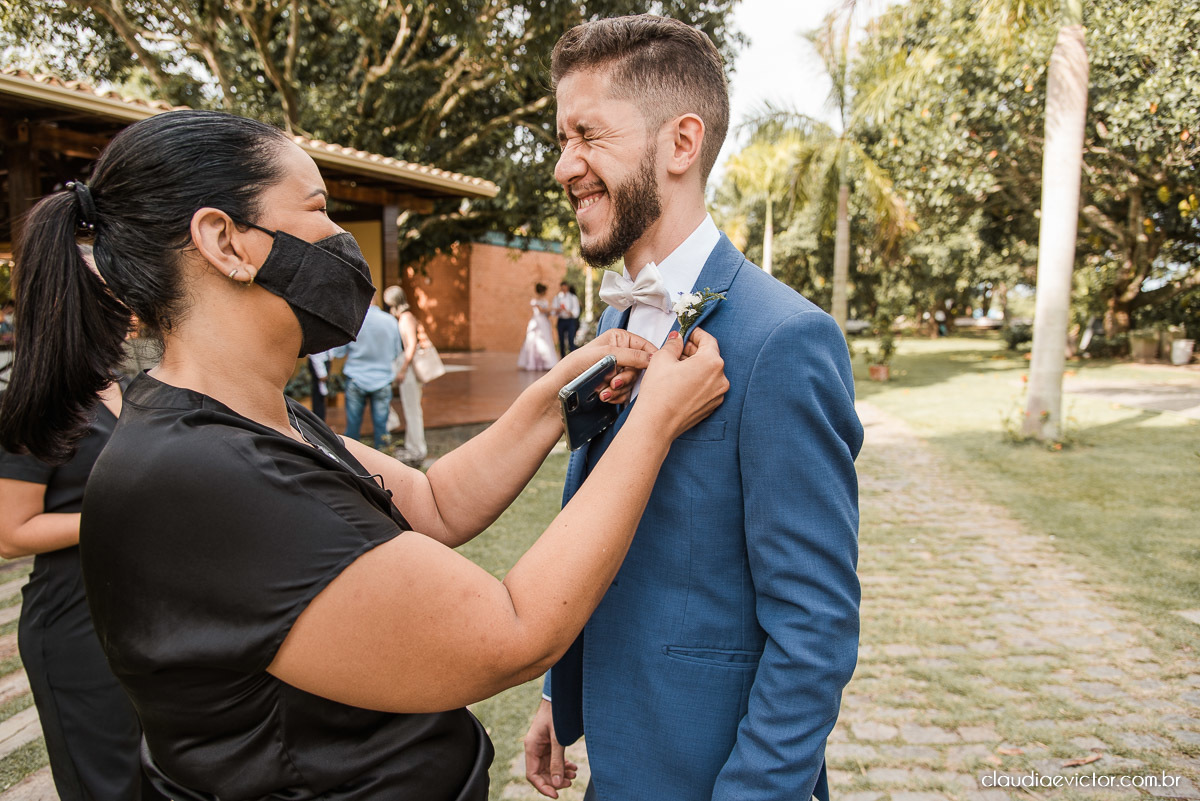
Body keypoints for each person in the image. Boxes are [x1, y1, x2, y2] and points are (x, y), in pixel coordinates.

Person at [0, 108, 727, 801]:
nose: (337, 238)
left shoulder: (254, 414)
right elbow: (512, 630)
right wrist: (652, 422)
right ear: (225, 241)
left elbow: (436, 503)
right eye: (316, 210)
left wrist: (555, 396)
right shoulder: (199, 476)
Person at [524, 16, 863, 801]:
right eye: (561, 137)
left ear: (681, 144)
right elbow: (595, 524)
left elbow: (815, 627)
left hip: (714, 776)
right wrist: (558, 690)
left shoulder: (784, 339)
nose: (562, 165)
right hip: (617, 753)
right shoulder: (614, 324)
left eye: (586, 135)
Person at [0, 380, 165, 801]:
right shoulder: (40, 403)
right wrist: (121, 515)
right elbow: (11, 534)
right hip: (77, 621)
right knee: (108, 785)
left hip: (149, 619)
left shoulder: (136, 390)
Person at [333, 301, 402, 450]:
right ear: (375, 299)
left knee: (352, 428)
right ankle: (384, 464)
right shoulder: (390, 321)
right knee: (382, 429)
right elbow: (397, 352)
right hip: (383, 379)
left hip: (356, 378)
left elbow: (338, 352)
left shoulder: (354, 320)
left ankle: (350, 465)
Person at [381, 285, 426, 466]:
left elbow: (412, 346)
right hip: (402, 367)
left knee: (412, 409)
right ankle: (410, 443)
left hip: (407, 370)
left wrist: (403, 369)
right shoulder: (402, 317)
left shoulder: (406, 318)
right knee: (388, 397)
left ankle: (417, 449)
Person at [517, 283, 560, 370]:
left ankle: (546, 363)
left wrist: (552, 311)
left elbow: (546, 313)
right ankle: (533, 363)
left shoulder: (545, 301)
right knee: (533, 341)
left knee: (546, 340)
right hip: (537, 322)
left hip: (544, 322)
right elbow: (541, 310)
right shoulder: (535, 301)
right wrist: (552, 309)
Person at [552, 281, 581, 357]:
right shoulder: (557, 298)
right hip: (561, 320)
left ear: (567, 287)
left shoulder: (573, 297)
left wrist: (570, 312)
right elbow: (553, 310)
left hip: (570, 320)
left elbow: (576, 311)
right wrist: (557, 310)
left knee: (571, 339)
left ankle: (572, 357)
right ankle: (562, 357)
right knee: (561, 340)